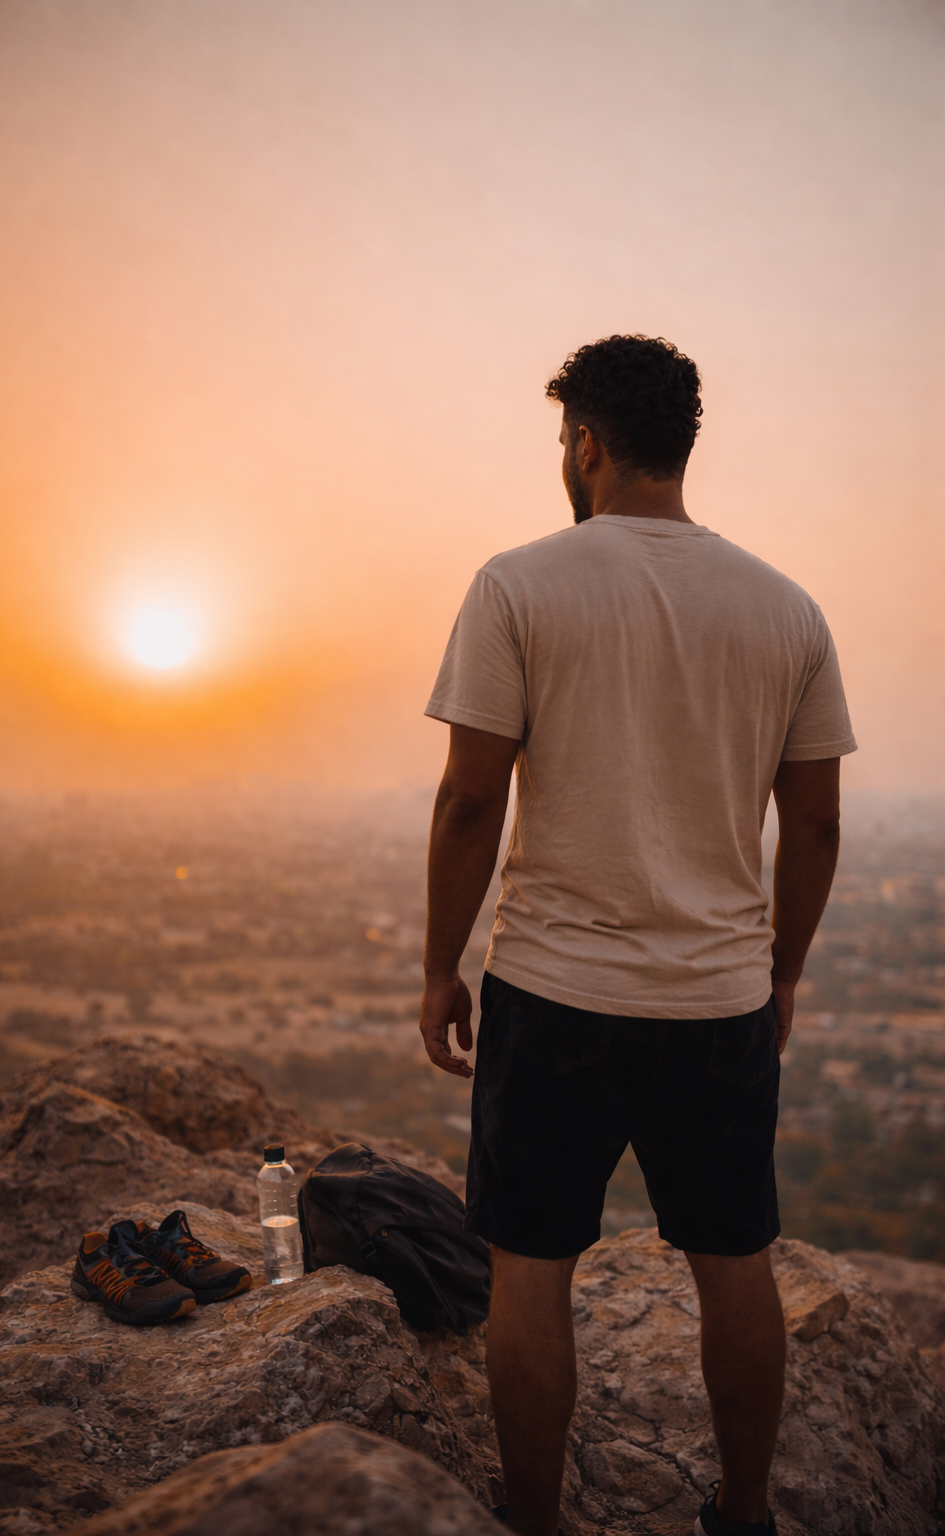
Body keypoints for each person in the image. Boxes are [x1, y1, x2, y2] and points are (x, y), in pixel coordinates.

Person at [419, 335, 856, 1536]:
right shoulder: (785, 607)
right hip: (714, 1001)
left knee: (529, 1264)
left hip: (552, 989)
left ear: (587, 442)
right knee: (735, 1260)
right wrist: (780, 975)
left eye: (564, 438)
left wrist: (435, 968)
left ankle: (540, 1521)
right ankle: (750, 1511)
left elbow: (469, 798)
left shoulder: (518, 584)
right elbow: (812, 825)